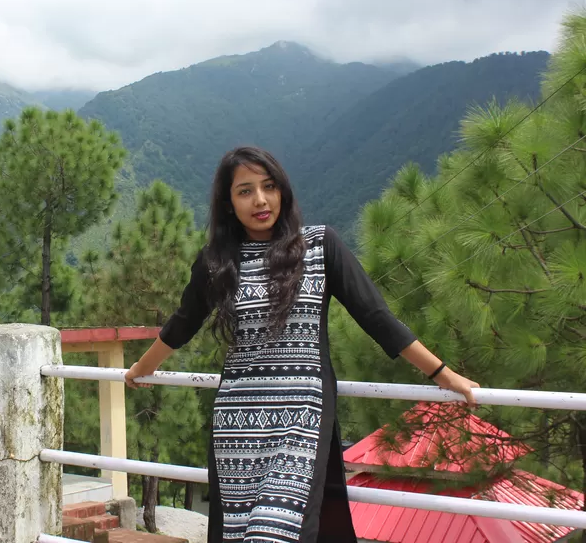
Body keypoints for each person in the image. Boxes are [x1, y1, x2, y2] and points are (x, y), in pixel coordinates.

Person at [123, 146, 480, 543]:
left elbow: (376, 317)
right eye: (245, 191)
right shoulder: (216, 262)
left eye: (269, 186)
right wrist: (141, 369)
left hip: (302, 419)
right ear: (228, 203)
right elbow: (182, 324)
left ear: (283, 191)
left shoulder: (320, 246)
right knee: (240, 533)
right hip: (237, 425)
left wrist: (443, 374)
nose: (260, 200)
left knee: (276, 533)